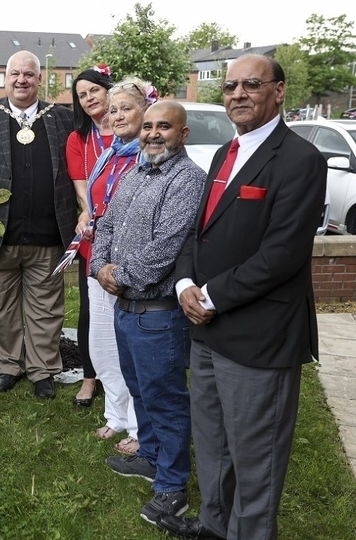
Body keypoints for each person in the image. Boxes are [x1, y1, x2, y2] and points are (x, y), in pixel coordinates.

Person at [161, 55, 326, 540]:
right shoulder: (221, 155)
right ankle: (214, 525)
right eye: (230, 85)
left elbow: (281, 255)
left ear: (279, 91)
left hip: (260, 337)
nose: (237, 94)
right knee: (212, 445)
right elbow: (199, 232)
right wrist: (184, 284)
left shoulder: (300, 160)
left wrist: (208, 296)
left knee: (257, 462)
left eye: (251, 84)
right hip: (207, 330)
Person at [90, 101, 204, 527]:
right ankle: (151, 458)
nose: (153, 133)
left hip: (159, 314)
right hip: (126, 309)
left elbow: (168, 247)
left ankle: (172, 486)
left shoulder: (187, 180)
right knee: (141, 391)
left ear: (183, 133)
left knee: (166, 401)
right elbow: (108, 224)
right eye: (149, 126)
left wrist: (119, 274)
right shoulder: (136, 172)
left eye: (164, 127)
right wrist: (99, 266)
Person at [0, 50, 77, 399]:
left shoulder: (62, 119)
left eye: (29, 74)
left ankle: (42, 371)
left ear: (40, 80)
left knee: (46, 308)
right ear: (4, 79)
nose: (21, 79)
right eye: (15, 74)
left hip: (48, 234)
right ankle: (9, 364)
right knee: (1, 307)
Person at [80, 77, 156, 455]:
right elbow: (99, 204)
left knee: (133, 349)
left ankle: (143, 427)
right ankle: (116, 415)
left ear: (145, 111)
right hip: (99, 262)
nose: (118, 115)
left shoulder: (148, 157)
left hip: (131, 270)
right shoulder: (111, 153)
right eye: (113, 109)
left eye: (127, 107)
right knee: (103, 344)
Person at [65, 64, 113, 409]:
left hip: (130, 231)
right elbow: (82, 189)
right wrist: (86, 210)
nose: (89, 98)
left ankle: (121, 376)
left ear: (107, 89)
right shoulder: (79, 138)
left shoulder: (132, 129)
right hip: (96, 231)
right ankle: (89, 377)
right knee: (90, 310)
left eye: (93, 90)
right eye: (81, 95)